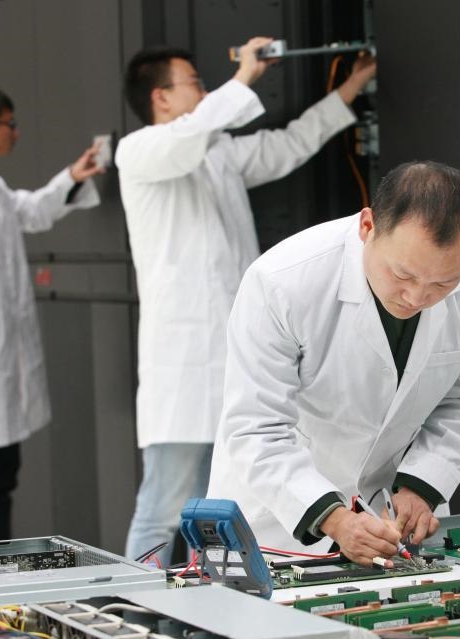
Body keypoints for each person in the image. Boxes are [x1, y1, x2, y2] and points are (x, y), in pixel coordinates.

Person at [116, 37, 376, 566]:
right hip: (181, 371)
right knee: (162, 506)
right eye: (194, 82)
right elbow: (184, 141)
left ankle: (208, 600)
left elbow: (287, 144)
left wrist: (352, 86)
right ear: (160, 96)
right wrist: (244, 78)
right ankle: (136, 603)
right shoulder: (139, 151)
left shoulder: (218, 153)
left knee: (220, 505)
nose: (205, 89)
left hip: (234, 357)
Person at [207, 161, 460, 565]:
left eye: (444, 283)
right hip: (279, 517)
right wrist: (335, 520)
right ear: (368, 226)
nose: (417, 297)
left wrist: (422, 485)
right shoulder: (282, 281)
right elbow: (256, 427)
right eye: (402, 275)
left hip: (393, 511)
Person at [0, 87, 103, 543]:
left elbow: (32, 210)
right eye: (10, 124)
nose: (17, 133)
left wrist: (71, 176)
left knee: (0, 470)